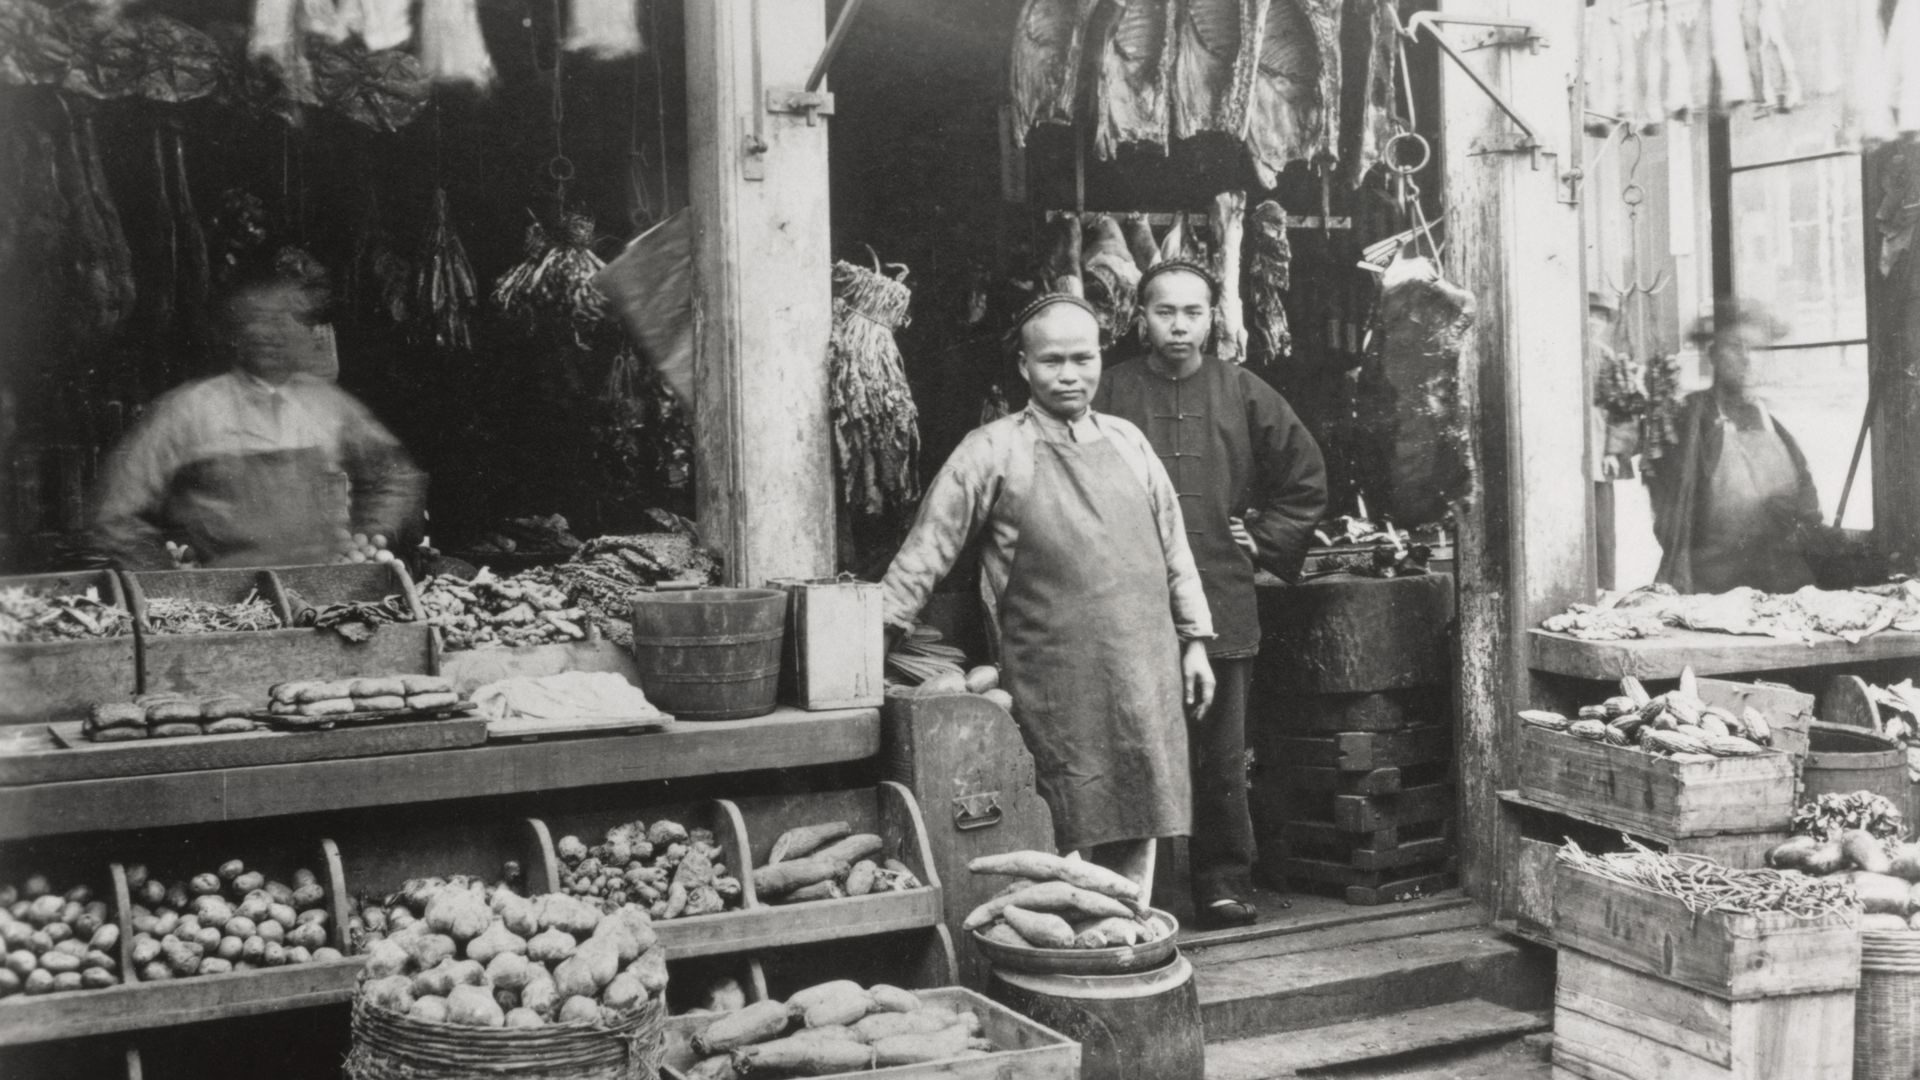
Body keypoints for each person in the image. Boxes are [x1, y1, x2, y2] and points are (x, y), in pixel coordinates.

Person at [879, 293, 1216, 900]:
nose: (1069, 375)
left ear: (1100, 358)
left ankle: (1123, 931)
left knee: (1141, 805)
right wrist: (874, 632)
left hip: (1144, 667)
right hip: (1049, 675)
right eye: (1052, 360)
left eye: (1083, 359)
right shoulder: (992, 449)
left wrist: (1194, 640)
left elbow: (1176, 551)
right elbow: (928, 547)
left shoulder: (1129, 442)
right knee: (1056, 814)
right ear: (1023, 367)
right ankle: (1063, 943)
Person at [1093, 259, 1327, 928]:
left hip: (1220, 592)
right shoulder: (1109, 391)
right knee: (1128, 744)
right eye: (1164, 312)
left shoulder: (1243, 390)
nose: (1178, 325)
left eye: (1193, 312)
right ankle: (1124, 892)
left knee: (1220, 754)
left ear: (1212, 318)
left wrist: (1264, 536)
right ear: (1140, 317)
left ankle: (1223, 882)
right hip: (1125, 598)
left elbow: (1304, 474)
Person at [93, 251, 425, 570]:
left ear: (307, 330)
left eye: (285, 319)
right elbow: (114, 514)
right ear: (235, 332)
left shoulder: (328, 406)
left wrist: (372, 539)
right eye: (257, 318)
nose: (270, 333)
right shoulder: (189, 410)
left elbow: (396, 474)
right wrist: (166, 585)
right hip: (229, 607)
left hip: (322, 597)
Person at [1647, 299, 1819, 594]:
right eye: (1735, 347)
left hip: (1780, 585)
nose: (1747, 358)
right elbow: (1671, 520)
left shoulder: (1774, 426)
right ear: (1713, 354)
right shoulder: (1690, 419)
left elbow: (1809, 512)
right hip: (1710, 587)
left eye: (1756, 349)